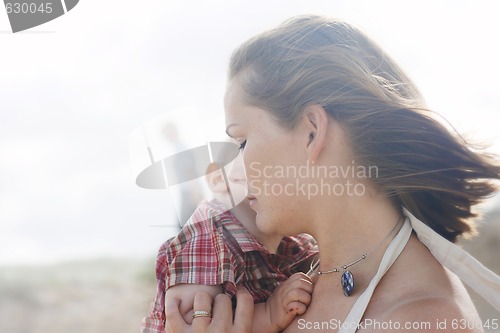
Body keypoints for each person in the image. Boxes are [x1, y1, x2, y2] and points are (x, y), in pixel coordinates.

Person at [165, 15, 500, 332]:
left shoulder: (419, 319)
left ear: (312, 132)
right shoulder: (286, 281)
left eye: (242, 142)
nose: (233, 173)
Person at [141, 150, 319, 333]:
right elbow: (188, 322)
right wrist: (268, 314)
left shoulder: (291, 242)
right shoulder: (208, 235)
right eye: (244, 143)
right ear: (218, 178)